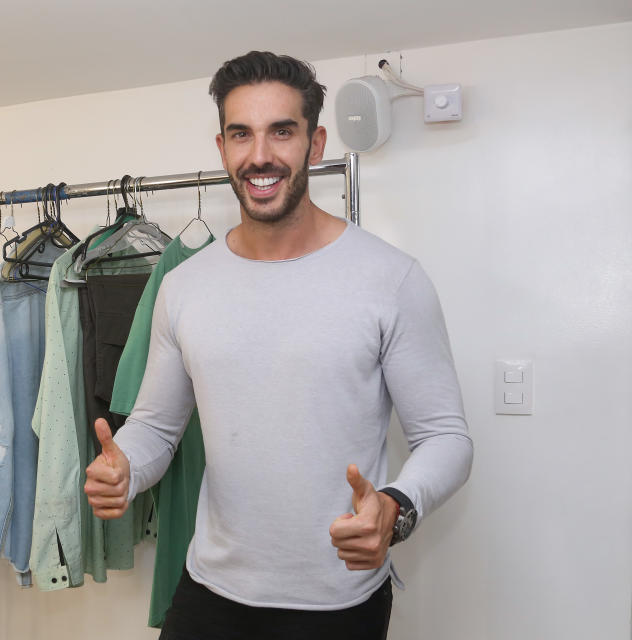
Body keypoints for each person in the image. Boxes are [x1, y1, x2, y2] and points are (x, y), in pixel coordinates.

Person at [84, 51, 473, 640]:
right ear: (222, 150)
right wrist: (126, 467)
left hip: (338, 603)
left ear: (315, 145)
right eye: (241, 134)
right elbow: (157, 428)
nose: (260, 155)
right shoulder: (185, 285)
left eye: (281, 132)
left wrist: (396, 503)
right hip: (209, 591)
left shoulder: (391, 279)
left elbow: (445, 436)